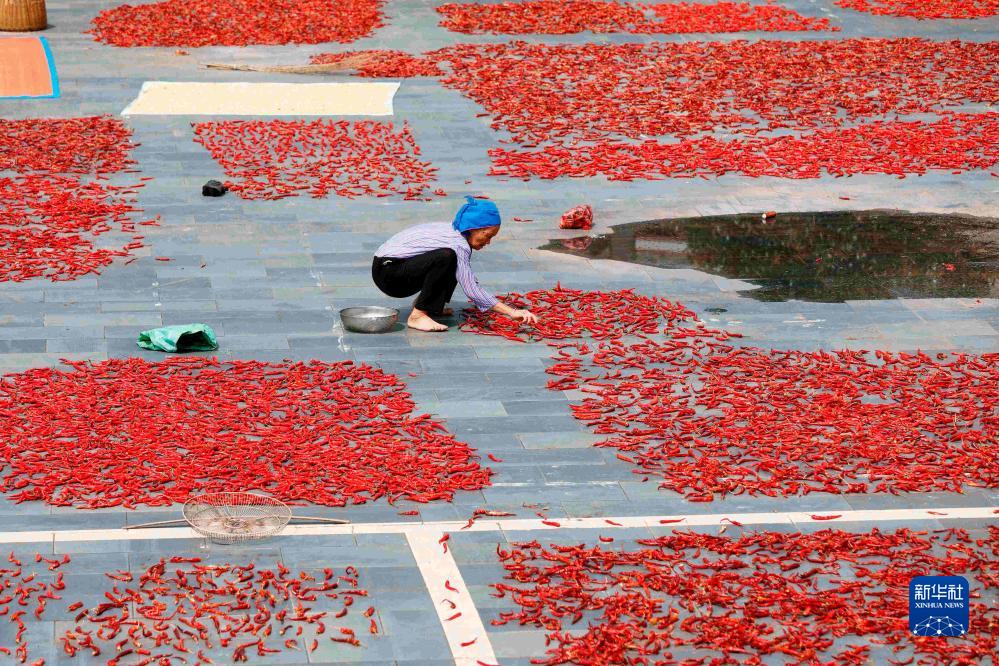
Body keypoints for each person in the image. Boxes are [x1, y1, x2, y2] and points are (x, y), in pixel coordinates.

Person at [372, 197, 539, 331]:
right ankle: (417, 316)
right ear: (473, 228)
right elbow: (471, 287)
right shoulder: (458, 244)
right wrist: (512, 312)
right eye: (487, 235)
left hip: (386, 267)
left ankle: (428, 305)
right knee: (447, 257)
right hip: (389, 274)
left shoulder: (455, 230)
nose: (488, 242)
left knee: (453, 261)